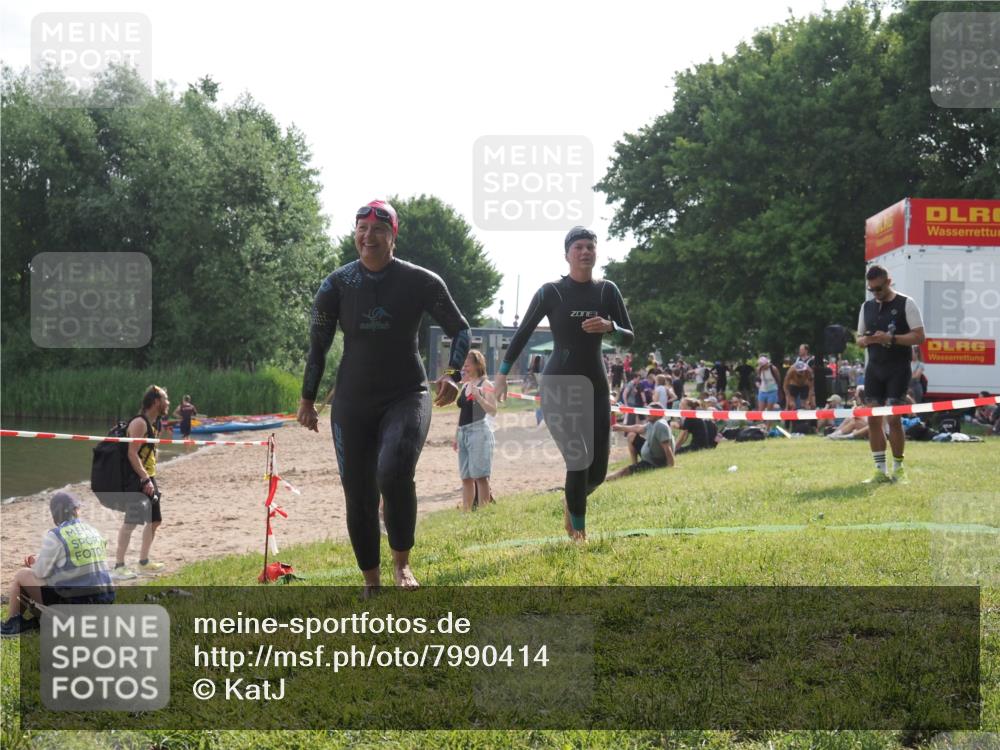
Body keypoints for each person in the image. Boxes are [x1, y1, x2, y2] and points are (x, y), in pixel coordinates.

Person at [298, 200, 470, 595]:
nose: (368, 236)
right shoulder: (337, 284)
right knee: (357, 492)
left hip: (406, 394)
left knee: (393, 472)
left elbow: (459, 329)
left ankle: (402, 564)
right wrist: (307, 400)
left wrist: (452, 374)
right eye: (361, 228)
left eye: (378, 229)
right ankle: (371, 580)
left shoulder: (420, 281)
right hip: (353, 402)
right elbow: (318, 346)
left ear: (393, 235)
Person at [494, 226, 634, 541]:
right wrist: (501, 374)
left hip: (596, 386)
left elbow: (630, 337)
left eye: (590, 247)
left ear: (596, 253)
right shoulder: (551, 292)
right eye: (579, 247)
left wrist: (610, 326)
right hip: (559, 386)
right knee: (578, 457)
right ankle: (579, 536)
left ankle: (572, 501)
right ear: (567, 254)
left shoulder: (607, 291)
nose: (585, 252)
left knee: (596, 471)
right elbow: (523, 332)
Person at [1, 491, 114, 637]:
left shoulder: (56, 535)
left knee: (22, 575)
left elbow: (40, 573)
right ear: (76, 510)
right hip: (104, 604)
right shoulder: (94, 531)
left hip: (78, 611)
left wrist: (36, 562)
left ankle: (13, 624)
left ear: (54, 515)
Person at [856, 264, 925, 483]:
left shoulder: (906, 303)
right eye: (871, 289)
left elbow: (919, 336)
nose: (875, 293)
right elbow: (858, 339)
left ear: (888, 282)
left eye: (878, 288)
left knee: (894, 418)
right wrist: (865, 340)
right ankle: (879, 470)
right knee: (873, 420)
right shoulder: (866, 307)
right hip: (874, 368)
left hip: (898, 368)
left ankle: (899, 468)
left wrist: (891, 339)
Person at [113, 384, 170, 580]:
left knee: (155, 520)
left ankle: (143, 562)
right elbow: (131, 453)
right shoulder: (140, 423)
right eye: (165, 399)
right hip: (137, 478)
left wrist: (151, 476)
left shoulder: (155, 423)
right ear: (156, 402)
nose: (168, 403)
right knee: (131, 523)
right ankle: (119, 565)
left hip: (149, 476)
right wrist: (145, 479)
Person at [453, 350, 497, 512]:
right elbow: (462, 412)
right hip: (463, 433)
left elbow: (493, 410)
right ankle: (466, 513)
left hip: (479, 432)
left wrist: (479, 397)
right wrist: (456, 436)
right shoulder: (465, 385)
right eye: (463, 365)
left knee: (480, 477)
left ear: (478, 364)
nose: (464, 368)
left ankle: (483, 513)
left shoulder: (486, 385)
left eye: (467, 365)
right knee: (466, 477)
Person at [607, 402, 675, 479]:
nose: (647, 414)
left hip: (654, 463)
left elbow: (667, 448)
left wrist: (671, 466)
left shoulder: (660, 425)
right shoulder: (652, 423)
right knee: (631, 435)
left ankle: (606, 479)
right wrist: (620, 427)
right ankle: (634, 464)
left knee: (624, 472)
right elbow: (638, 428)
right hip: (650, 455)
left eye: (650, 412)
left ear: (658, 413)